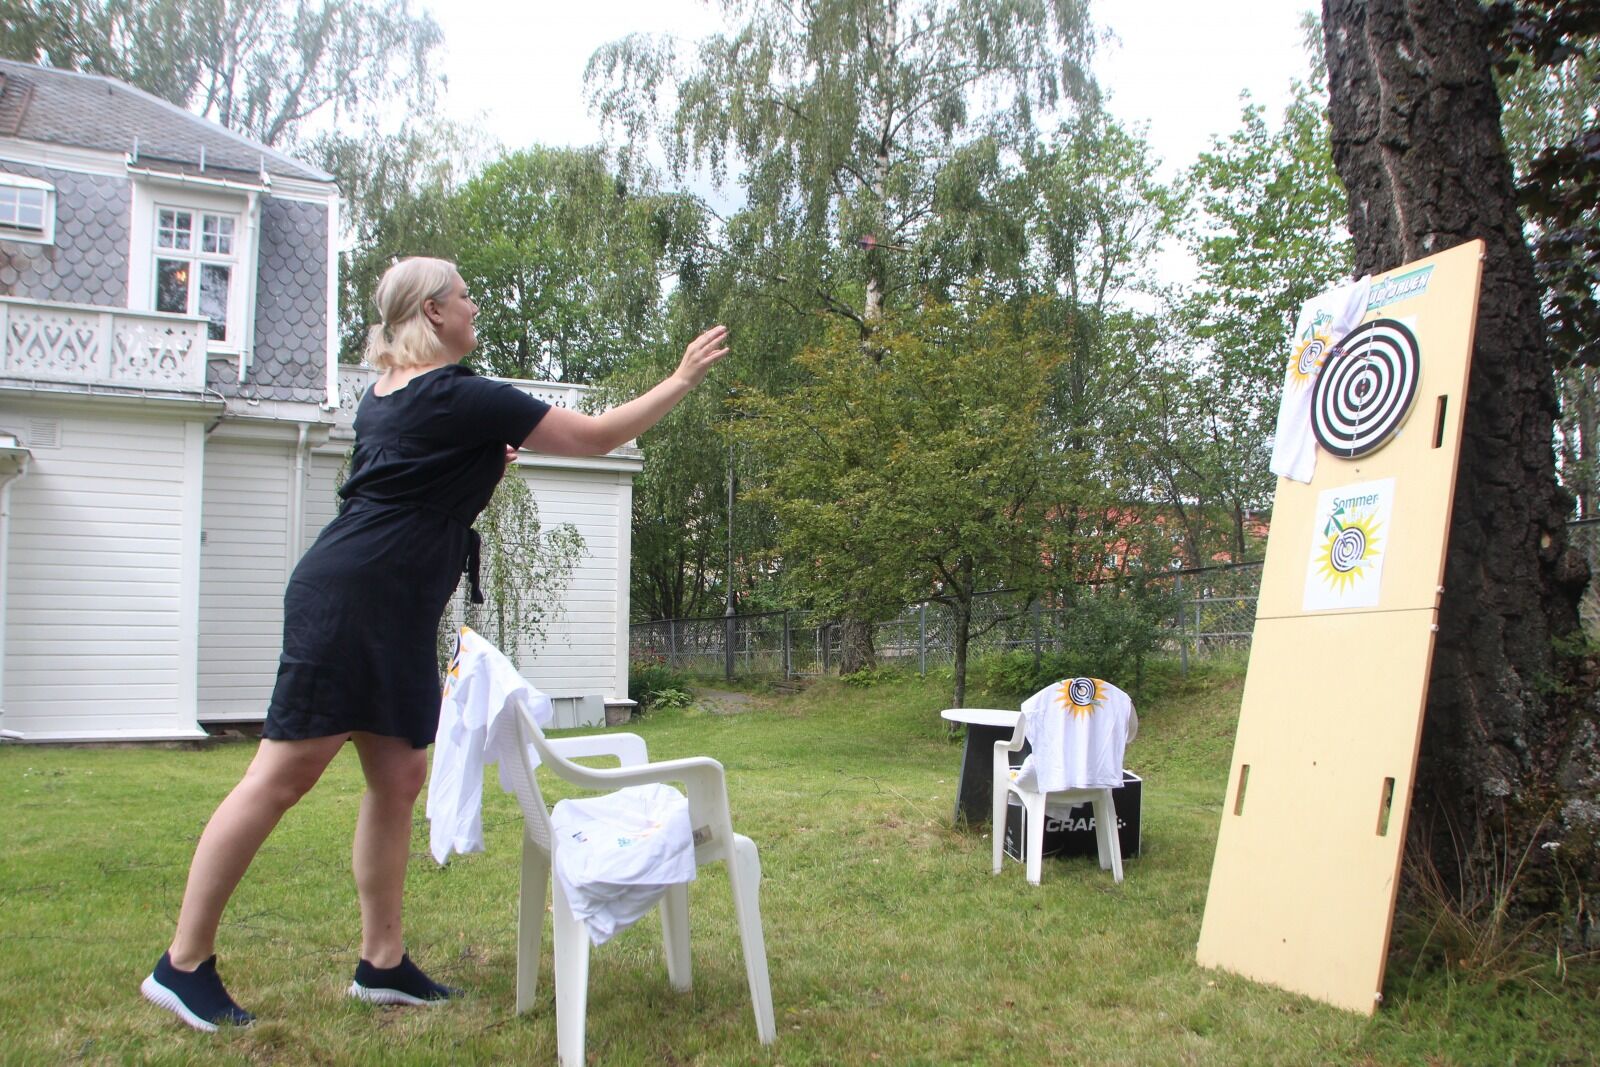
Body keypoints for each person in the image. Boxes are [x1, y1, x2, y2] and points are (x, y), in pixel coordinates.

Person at [141, 256, 729, 1032]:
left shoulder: (389, 394)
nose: (474, 304)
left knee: (398, 774)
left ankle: (381, 962)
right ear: (432, 311)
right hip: (355, 600)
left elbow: (414, 479)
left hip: (386, 602)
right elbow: (592, 437)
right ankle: (182, 964)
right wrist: (681, 378)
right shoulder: (457, 394)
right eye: (464, 294)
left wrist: (481, 459)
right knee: (281, 775)